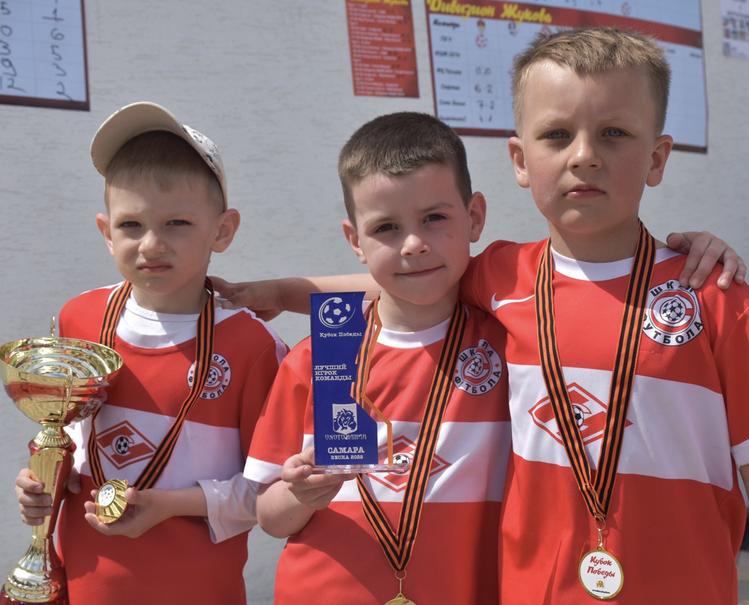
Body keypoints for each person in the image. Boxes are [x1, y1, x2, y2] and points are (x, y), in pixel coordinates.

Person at [467, 28, 749, 604]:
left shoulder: (713, 292)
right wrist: (296, 291)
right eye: (556, 134)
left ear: (656, 158)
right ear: (520, 160)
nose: (584, 155)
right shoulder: (498, 278)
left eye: (614, 133)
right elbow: (403, 283)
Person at [14, 102, 288, 604]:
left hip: (196, 591)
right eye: (131, 225)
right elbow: (66, 440)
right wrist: (41, 481)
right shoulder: (79, 318)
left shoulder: (252, 346)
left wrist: (171, 504)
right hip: (83, 585)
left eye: (177, 222)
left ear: (222, 230)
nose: (152, 244)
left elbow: (271, 493)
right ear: (106, 232)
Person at [243, 112, 512, 603]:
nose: (414, 244)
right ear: (356, 241)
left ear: (474, 217)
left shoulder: (510, 338)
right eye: (386, 227)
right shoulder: (325, 351)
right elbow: (269, 517)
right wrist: (300, 494)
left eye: (435, 218)